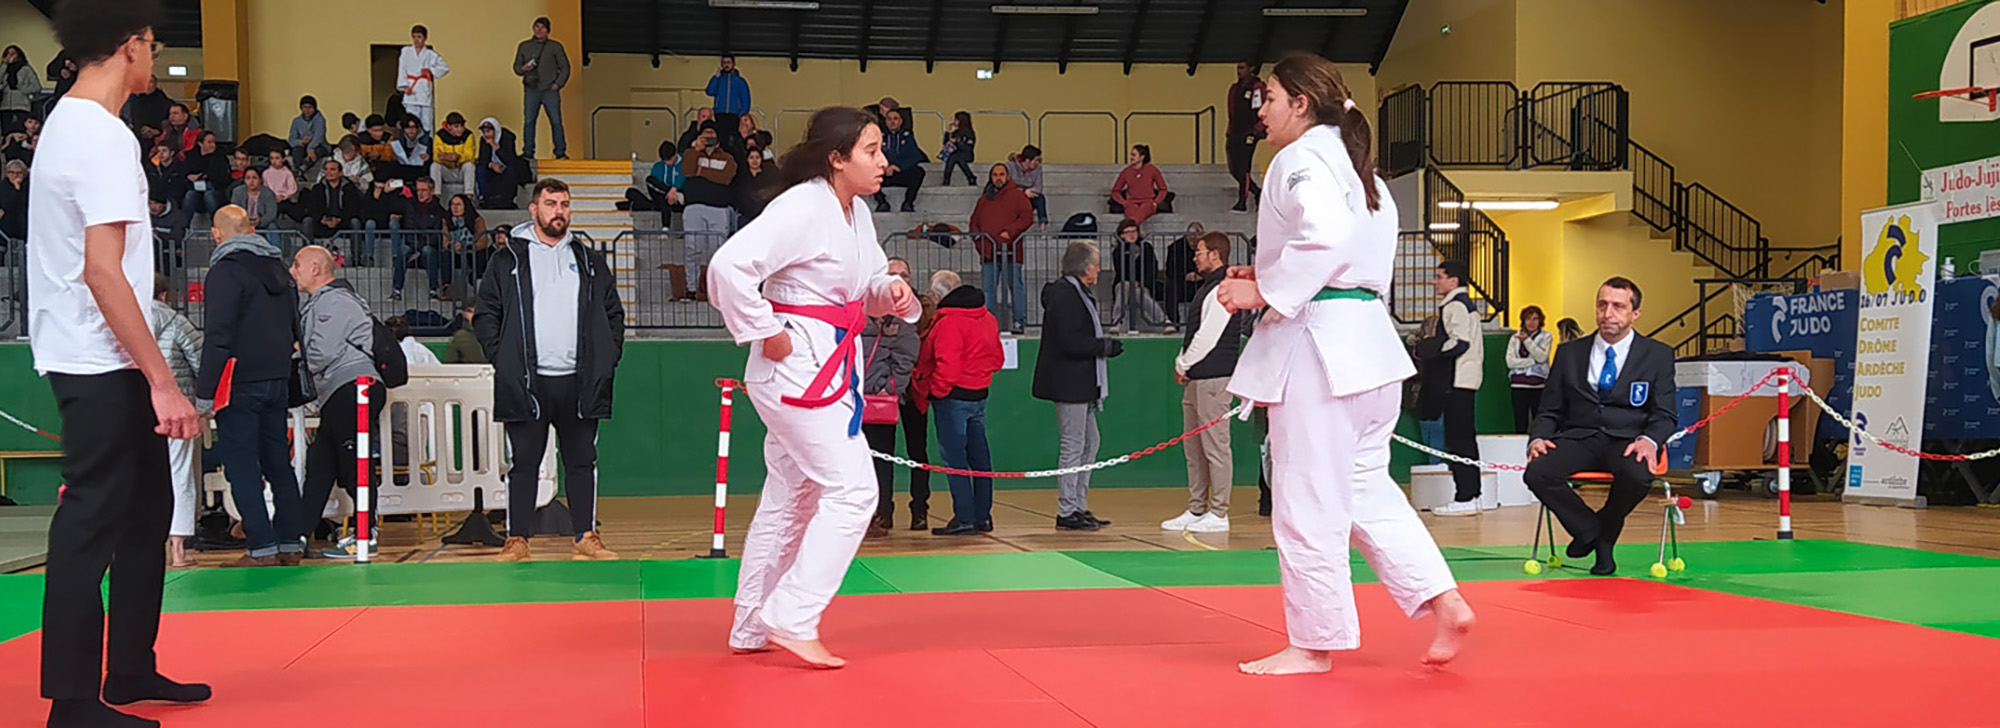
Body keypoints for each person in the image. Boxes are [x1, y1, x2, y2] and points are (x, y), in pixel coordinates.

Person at [1213, 52, 1474, 676]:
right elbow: (1344, 255)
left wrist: (1267, 292)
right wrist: (1272, 274)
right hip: (1368, 346)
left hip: (1318, 353)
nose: (1262, 108)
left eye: (1269, 96)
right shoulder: (1365, 171)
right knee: (1365, 489)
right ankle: (1446, 599)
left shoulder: (1299, 158)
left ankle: (1312, 643)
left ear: (1301, 103)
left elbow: (1324, 239)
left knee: (1306, 503)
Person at [26, 1, 212, 722]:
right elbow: (103, 272)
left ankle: (130, 668)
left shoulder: (73, 127)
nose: (154, 58)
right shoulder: (99, 137)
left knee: (145, 511)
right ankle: (71, 702)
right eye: (152, 46)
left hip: (107, 355)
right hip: (98, 358)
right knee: (92, 521)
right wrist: (165, 383)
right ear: (128, 46)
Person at [707, 106, 920, 669]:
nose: (883, 161)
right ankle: (794, 616)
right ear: (836, 157)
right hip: (797, 367)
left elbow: (860, 286)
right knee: (854, 492)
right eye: (871, 151)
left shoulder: (856, 212)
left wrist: (889, 290)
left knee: (792, 499)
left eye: (881, 149)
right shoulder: (803, 205)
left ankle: (752, 623)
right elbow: (728, 267)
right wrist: (764, 329)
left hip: (823, 364)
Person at [474, 179, 624, 560]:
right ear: (534, 209)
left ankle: (585, 535)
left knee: (581, 460)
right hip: (527, 380)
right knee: (522, 462)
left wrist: (608, 357)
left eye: (565, 204)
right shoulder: (507, 259)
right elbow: (487, 313)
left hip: (579, 379)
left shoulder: (589, 261)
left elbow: (612, 314)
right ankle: (517, 539)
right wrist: (501, 357)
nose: (560, 211)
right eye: (552, 203)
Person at [1525, 278, 1676, 576]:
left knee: (1637, 473)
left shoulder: (1657, 355)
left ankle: (1602, 536)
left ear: (1635, 313)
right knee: (1537, 471)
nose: (1608, 313)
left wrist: (1650, 440)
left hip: (1628, 438)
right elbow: (1550, 409)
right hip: (1579, 436)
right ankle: (1590, 530)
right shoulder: (1570, 353)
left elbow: (1665, 413)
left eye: (1618, 306)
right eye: (1602, 305)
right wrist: (1538, 437)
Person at [197, 206, 305, 568]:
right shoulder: (280, 271)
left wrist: (204, 392)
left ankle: (261, 547)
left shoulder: (225, 272)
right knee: (278, 463)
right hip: (277, 378)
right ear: (252, 228)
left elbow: (218, 336)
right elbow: (294, 327)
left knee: (242, 466)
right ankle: (292, 542)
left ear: (217, 234)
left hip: (239, 381)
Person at [292, 245, 383, 559]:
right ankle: (300, 534)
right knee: (321, 464)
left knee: (353, 463)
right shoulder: (323, 302)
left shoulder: (335, 300)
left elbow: (321, 351)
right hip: (339, 390)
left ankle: (365, 534)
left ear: (316, 268)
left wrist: (294, 355)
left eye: (297, 264)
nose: (293, 271)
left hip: (353, 387)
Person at [1033, 241, 1123, 531]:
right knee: (1073, 445)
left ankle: (1078, 504)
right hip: (1069, 383)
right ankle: (1066, 510)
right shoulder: (1066, 296)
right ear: (1085, 268)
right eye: (1096, 264)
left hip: (1080, 384)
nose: (1098, 269)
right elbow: (1071, 341)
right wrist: (1104, 346)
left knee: (1090, 443)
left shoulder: (1076, 293)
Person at [1162, 231, 1243, 533]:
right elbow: (1194, 332)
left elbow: (1208, 336)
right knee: (1194, 448)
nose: (1195, 255)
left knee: (1216, 447)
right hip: (1196, 379)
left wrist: (1183, 362)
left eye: (1200, 251)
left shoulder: (1223, 288)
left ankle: (1219, 513)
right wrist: (1183, 364)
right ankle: (1197, 509)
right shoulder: (1207, 288)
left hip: (1214, 378)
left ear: (1215, 254)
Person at [913, 273, 1004, 536]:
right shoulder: (987, 317)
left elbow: (947, 367)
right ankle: (983, 516)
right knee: (981, 459)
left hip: (952, 397)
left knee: (955, 461)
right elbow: (997, 359)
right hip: (979, 393)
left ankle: (964, 517)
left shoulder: (948, 323)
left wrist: (935, 391)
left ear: (940, 297)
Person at [860, 258, 922, 538]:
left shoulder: (905, 322)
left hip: (879, 400)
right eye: (891, 275)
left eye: (902, 276)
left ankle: (881, 514)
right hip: (849, 399)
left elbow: (906, 359)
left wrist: (889, 387)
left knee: (881, 460)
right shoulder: (859, 313)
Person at [149, 273, 202, 569]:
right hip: (176, 410)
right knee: (179, 475)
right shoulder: (177, 322)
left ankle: (140, 546)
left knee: (139, 476)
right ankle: (179, 550)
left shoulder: (127, 323)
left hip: (138, 410)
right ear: (165, 296)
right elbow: (200, 361)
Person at [1429, 259, 1486, 516]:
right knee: (1463, 438)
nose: (1435, 281)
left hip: (1458, 380)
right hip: (1465, 379)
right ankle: (1470, 494)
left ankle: (1466, 495)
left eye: (1440, 277)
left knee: (1458, 439)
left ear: (1454, 281)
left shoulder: (1455, 306)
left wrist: (1432, 349)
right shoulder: (1464, 305)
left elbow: (1459, 343)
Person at [969, 163, 1032, 335]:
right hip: (989, 253)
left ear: (1008, 176)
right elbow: (974, 223)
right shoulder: (984, 199)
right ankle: (988, 325)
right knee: (988, 290)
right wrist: (979, 242)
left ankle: (1019, 321)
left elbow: (1027, 218)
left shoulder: (1018, 197)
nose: (998, 178)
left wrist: (1010, 232)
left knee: (1015, 287)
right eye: (995, 174)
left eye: (1001, 174)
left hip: (1011, 252)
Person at [680, 122, 737, 302]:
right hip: (693, 207)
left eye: (712, 133)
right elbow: (687, 172)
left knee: (717, 252)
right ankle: (691, 289)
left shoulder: (727, 157)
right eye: (705, 134)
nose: (708, 137)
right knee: (692, 249)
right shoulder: (691, 154)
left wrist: (701, 172)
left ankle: (718, 293)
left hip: (718, 208)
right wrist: (696, 150)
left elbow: (726, 177)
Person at [515, 16, 571, 160]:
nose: (539, 30)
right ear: (533, 28)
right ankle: (528, 152)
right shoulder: (524, 46)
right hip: (531, 88)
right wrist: (523, 68)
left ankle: (560, 152)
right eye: (537, 26)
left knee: (556, 121)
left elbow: (565, 67)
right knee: (529, 121)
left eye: (543, 27)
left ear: (548, 30)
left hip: (549, 90)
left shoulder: (555, 46)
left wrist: (558, 83)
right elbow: (516, 68)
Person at [1109, 217, 1171, 332]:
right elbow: (1121, 270)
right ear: (1121, 235)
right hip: (1124, 284)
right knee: (1124, 287)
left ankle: (1165, 322)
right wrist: (1131, 282)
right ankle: (1117, 321)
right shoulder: (1118, 251)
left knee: (1140, 293)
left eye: (1134, 231)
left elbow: (1151, 268)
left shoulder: (1146, 248)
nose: (1131, 235)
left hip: (1143, 284)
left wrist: (1140, 282)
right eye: (1127, 232)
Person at [397, 177, 449, 301]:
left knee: (428, 250)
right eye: (418, 190)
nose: (420, 193)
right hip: (412, 247)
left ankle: (433, 289)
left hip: (428, 250)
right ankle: (396, 289)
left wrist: (419, 251)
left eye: (424, 190)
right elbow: (409, 229)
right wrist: (415, 248)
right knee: (403, 250)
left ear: (432, 191)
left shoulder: (440, 211)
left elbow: (435, 235)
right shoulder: (410, 207)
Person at [1506, 305, 1555, 434]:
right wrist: (1532, 362)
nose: (1531, 322)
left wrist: (1527, 341)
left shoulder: (1546, 336)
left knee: (1538, 420)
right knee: (1520, 422)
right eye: (1528, 319)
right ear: (1523, 320)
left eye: (1535, 319)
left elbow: (1542, 358)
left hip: (1537, 386)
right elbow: (1510, 362)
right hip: (1518, 385)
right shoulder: (1515, 338)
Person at [1226, 60, 1266, 212]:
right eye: (1237, 68)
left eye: (1242, 68)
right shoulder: (1235, 88)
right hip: (1235, 132)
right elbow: (1231, 111)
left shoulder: (1258, 87)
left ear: (1251, 69)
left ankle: (1242, 202)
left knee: (1244, 167)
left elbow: (1262, 109)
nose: (1239, 71)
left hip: (1250, 132)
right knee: (1234, 168)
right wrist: (1230, 130)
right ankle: (1257, 192)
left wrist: (1258, 129)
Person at [397, 25, 449, 130]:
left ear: (425, 38)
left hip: (423, 89)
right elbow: (402, 68)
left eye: (419, 37)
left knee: (426, 122)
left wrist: (430, 70)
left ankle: (427, 142)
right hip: (411, 88)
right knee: (411, 120)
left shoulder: (430, 54)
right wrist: (403, 86)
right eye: (414, 37)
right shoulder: (406, 52)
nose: (416, 40)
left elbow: (444, 68)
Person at [874, 111, 928, 213]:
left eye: (895, 119)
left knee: (919, 172)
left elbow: (915, 156)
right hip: (884, 174)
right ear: (885, 121)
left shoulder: (907, 136)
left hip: (901, 172)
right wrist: (885, 167)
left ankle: (908, 203)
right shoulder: (879, 137)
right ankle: (882, 202)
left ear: (900, 121)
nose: (892, 122)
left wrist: (899, 167)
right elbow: (873, 155)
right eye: (889, 119)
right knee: (869, 172)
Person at [1109, 144, 1172, 225]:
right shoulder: (1126, 172)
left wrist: (1156, 202)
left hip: (1148, 202)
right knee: (1132, 212)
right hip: (1131, 202)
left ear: (1142, 157)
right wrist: (1124, 202)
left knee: (1140, 214)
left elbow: (1163, 189)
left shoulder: (1152, 170)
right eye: (1131, 155)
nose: (1131, 157)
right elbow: (1115, 191)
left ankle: (1130, 230)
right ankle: (1136, 231)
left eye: (1134, 155)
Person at [175, 130, 228, 219]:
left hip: (215, 190)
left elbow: (224, 178)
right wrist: (189, 176)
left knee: (209, 195)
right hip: (195, 190)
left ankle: (216, 225)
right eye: (209, 142)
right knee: (190, 195)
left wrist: (207, 176)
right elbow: (182, 173)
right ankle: (183, 227)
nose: (213, 145)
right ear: (200, 144)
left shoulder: (220, 157)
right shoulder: (191, 156)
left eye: (214, 142)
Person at [477, 116, 527, 209]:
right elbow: (482, 159)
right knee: (480, 170)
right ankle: (484, 197)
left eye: (488, 131)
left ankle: (509, 198)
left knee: (511, 171)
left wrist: (495, 147)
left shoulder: (508, 138)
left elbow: (510, 160)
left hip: (506, 166)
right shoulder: (483, 140)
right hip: (492, 167)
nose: (486, 134)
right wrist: (491, 165)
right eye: (484, 132)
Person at [626, 139, 684, 219]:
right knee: (647, 182)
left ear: (675, 154)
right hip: (662, 198)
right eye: (665, 161)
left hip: (679, 199)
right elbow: (655, 187)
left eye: (670, 160)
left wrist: (674, 189)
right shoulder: (658, 167)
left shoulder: (685, 163)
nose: (668, 163)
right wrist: (669, 192)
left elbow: (684, 179)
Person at [445, 192, 487, 296]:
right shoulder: (445, 220)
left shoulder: (477, 220)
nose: (455, 207)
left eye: (458, 204)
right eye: (452, 204)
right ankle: (446, 286)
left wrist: (469, 246)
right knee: (444, 255)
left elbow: (482, 240)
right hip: (454, 252)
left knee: (481, 254)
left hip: (471, 250)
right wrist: (451, 246)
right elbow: (444, 240)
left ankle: (477, 281)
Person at [431, 112, 479, 198]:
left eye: (462, 126)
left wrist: (458, 157)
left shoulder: (468, 135)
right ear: (449, 127)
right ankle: (436, 196)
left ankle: (469, 196)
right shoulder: (440, 135)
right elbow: (436, 156)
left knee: (469, 165)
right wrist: (446, 157)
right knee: (434, 166)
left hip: (461, 170)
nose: (460, 129)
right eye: (456, 127)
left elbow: (470, 156)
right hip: (447, 171)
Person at [705, 55, 752, 135]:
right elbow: (709, 91)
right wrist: (716, 76)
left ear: (733, 64)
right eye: (724, 63)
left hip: (734, 115)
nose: (726, 65)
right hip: (720, 114)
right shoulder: (719, 79)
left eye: (728, 62)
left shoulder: (740, 81)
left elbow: (746, 100)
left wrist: (741, 114)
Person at [1003, 144, 1047, 229]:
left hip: (1028, 198)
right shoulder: (1010, 167)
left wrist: (1027, 193)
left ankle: (1042, 226)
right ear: (1027, 160)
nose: (1038, 163)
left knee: (1040, 198)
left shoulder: (1038, 169)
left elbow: (1038, 188)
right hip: (1012, 199)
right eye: (1036, 160)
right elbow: (1007, 187)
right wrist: (1023, 193)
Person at [1, 45, 39, 134]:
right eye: (8, 54)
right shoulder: (4, 69)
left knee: (20, 131)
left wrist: (22, 88)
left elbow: (37, 87)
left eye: (13, 54)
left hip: (21, 105)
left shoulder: (26, 69)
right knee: (6, 131)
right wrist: (4, 65)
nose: (10, 56)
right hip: (6, 105)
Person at [290, 95, 330, 170]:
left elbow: (319, 137)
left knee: (317, 151)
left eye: (310, 107)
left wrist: (310, 148)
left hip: (318, 146)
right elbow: (292, 139)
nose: (307, 110)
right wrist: (301, 142)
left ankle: (304, 167)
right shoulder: (296, 121)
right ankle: (298, 170)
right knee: (296, 151)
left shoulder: (320, 119)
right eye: (305, 107)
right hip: (303, 145)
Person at [389, 116, 432, 183]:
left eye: (413, 127)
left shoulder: (427, 140)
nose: (411, 130)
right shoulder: (399, 140)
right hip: (404, 167)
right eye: (407, 127)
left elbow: (433, 156)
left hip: (419, 168)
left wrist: (428, 157)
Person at [940, 111, 976, 186]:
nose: (954, 121)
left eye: (956, 119)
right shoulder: (956, 132)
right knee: (953, 157)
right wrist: (947, 133)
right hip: (956, 154)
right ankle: (969, 177)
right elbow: (945, 143)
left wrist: (957, 142)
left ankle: (948, 178)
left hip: (966, 154)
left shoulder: (969, 133)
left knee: (957, 158)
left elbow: (968, 148)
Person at [0, 159, 26, 244]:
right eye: (12, 173)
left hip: (22, 222)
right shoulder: (3, 186)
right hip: (7, 223)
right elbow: (7, 204)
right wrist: (16, 189)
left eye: (18, 173)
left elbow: (23, 202)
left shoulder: (27, 186)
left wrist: (17, 188)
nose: (15, 176)